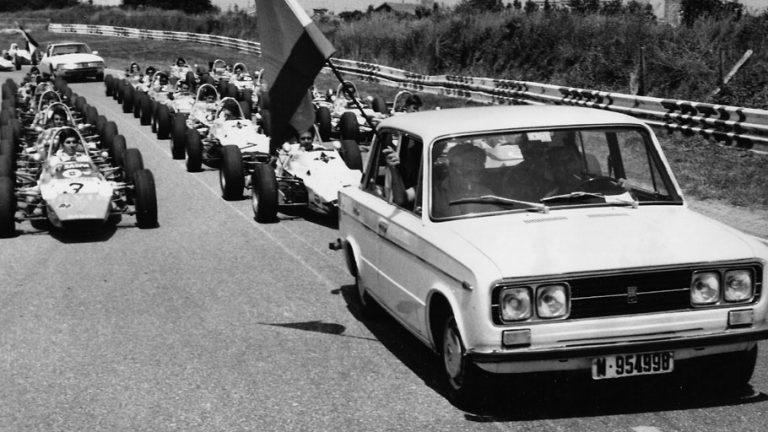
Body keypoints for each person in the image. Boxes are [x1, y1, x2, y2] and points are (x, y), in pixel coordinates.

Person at [433, 143, 501, 218]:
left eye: (481, 164)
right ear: (452, 168)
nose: (478, 167)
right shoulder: (435, 193)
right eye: (473, 162)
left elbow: (497, 219)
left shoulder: (486, 194)